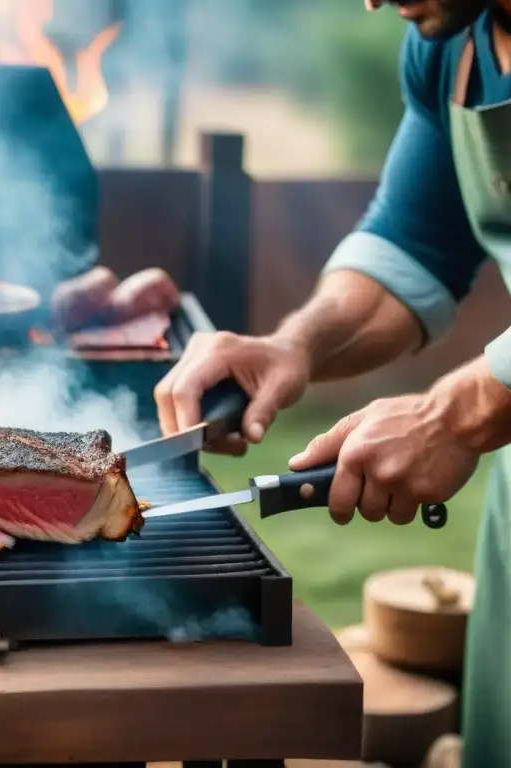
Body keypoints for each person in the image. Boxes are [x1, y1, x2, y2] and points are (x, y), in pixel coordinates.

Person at [154, 1, 511, 765]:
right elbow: (412, 246)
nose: (370, 2)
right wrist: (292, 345)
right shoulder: (448, 49)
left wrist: (455, 414)